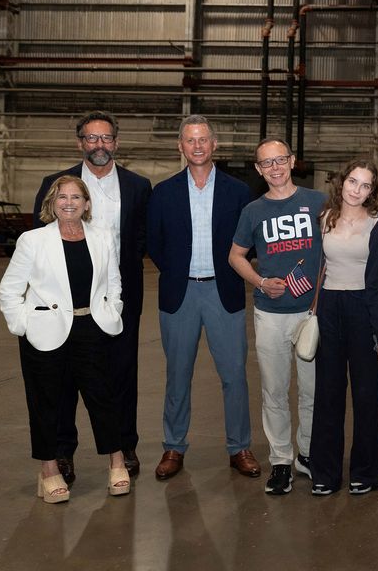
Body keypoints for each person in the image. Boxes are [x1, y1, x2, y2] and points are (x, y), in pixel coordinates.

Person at [33, 111, 152, 482]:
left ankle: (124, 445)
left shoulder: (138, 186)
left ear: (115, 142)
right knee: (64, 378)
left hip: (119, 295)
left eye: (105, 138)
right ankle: (63, 452)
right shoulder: (57, 183)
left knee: (120, 373)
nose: (98, 145)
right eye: (91, 138)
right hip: (65, 299)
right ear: (80, 142)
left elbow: (141, 239)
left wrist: (118, 296)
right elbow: (37, 240)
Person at [0, 176, 132, 501]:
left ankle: (117, 462)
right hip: (45, 334)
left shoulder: (101, 238)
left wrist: (112, 309)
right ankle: (48, 471)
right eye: (62, 197)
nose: (69, 202)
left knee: (103, 398)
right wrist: (24, 325)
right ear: (52, 203)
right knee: (47, 404)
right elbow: (9, 290)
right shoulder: (32, 241)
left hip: (92, 328)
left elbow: (114, 281)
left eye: (76, 197)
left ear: (87, 203)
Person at [147, 116, 259, 481]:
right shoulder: (163, 192)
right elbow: (155, 243)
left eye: (203, 140)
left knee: (234, 375)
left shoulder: (238, 191)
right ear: (180, 147)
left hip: (222, 292)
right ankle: (174, 446)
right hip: (179, 294)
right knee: (177, 375)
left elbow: (249, 241)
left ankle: (239, 447)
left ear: (214, 145)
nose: (197, 146)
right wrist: (179, 270)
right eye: (190, 141)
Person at [229, 138, 326, 496]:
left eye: (280, 160)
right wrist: (260, 281)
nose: (275, 167)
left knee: (312, 391)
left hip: (310, 314)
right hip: (270, 314)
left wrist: (322, 295)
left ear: (292, 161)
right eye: (266, 163)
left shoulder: (318, 203)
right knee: (274, 391)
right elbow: (235, 256)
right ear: (258, 169)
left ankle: (307, 453)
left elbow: (336, 249)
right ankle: (281, 460)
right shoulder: (253, 211)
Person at [308, 160, 378, 496]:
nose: (357, 189)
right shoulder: (323, 218)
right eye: (352, 181)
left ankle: (366, 470)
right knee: (328, 392)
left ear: (372, 190)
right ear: (342, 182)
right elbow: (314, 265)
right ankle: (325, 473)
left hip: (364, 308)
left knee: (367, 393)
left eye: (365, 185)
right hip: (330, 308)